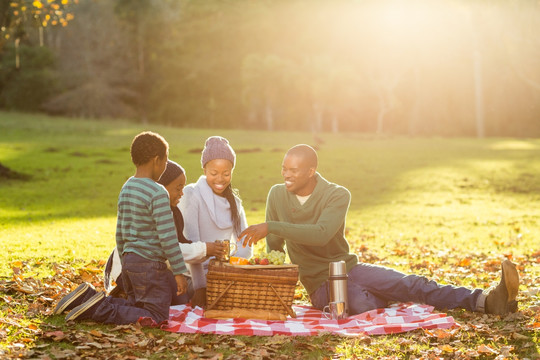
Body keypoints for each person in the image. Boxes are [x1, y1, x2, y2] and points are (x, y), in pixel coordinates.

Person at [240, 144, 520, 316]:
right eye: (284, 169)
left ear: (311, 171)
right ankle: (384, 295)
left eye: (294, 170)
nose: (286, 175)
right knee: (364, 302)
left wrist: (270, 225)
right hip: (319, 284)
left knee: (413, 283)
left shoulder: (337, 194)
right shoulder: (277, 195)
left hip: (349, 268)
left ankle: (486, 301)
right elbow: (274, 247)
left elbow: (321, 232)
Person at [53, 131, 189, 324]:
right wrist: (178, 272)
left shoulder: (127, 187)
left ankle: (85, 298)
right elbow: (168, 237)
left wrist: (126, 262)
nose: (165, 167)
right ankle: (99, 309)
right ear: (156, 160)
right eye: (165, 162)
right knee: (157, 316)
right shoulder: (158, 193)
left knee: (138, 307)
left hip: (130, 260)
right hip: (151, 265)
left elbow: (120, 231)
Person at [103, 160, 228, 305]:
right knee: (177, 298)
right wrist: (206, 248)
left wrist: (207, 252)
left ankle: (134, 298)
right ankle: (116, 301)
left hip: (154, 267)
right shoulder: (156, 210)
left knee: (184, 293)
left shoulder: (173, 212)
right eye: (178, 188)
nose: (182, 193)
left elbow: (176, 247)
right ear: (161, 188)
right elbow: (167, 248)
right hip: (135, 268)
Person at [179, 136, 253, 307]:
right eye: (214, 173)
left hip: (223, 274)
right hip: (192, 277)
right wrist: (200, 288)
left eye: (226, 174)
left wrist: (229, 270)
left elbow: (245, 245)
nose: (220, 179)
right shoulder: (192, 194)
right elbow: (193, 244)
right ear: (204, 170)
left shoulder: (235, 201)